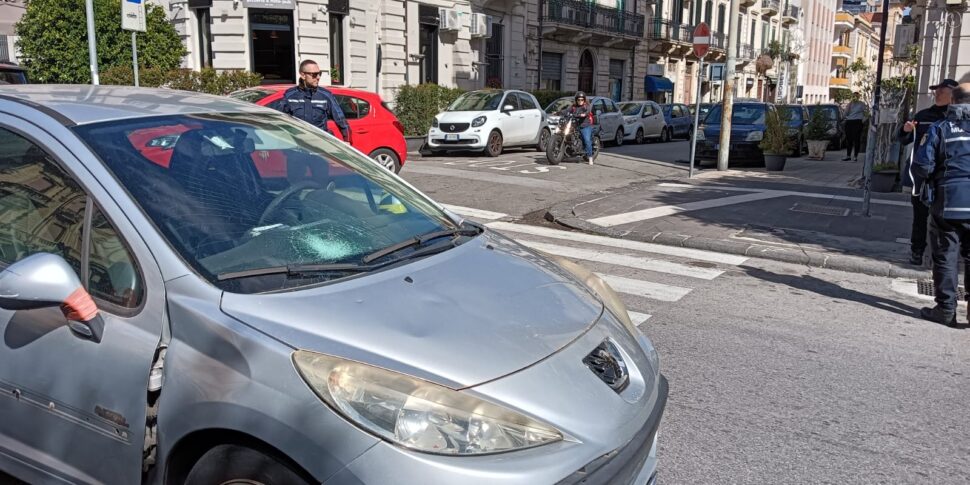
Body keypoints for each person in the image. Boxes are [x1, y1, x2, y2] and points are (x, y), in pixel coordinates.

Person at [911, 82, 970, 327]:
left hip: (949, 200)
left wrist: (924, 187)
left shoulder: (941, 128)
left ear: (953, 102)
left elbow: (922, 165)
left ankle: (946, 309)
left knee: (945, 254)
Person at [898, 79, 957, 265]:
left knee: (945, 219)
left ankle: (942, 255)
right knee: (920, 216)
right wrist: (905, 130)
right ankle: (917, 251)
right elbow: (903, 139)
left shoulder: (958, 118)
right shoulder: (923, 115)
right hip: (923, 177)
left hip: (947, 177)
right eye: (935, 90)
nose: (937, 93)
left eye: (941, 91)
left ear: (952, 95)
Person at [275, 59, 351, 143]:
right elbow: (278, 120)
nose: (318, 77)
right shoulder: (290, 96)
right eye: (314, 75)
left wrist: (347, 140)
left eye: (319, 74)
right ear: (303, 75)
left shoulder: (325, 95)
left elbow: (341, 119)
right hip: (298, 145)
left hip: (320, 145)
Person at [561, 92, 595, 165]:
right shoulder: (573, 106)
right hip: (575, 125)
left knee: (587, 140)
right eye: (578, 100)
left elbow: (588, 111)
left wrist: (584, 114)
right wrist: (558, 112)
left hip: (585, 126)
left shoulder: (586, 106)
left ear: (584, 100)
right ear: (576, 100)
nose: (580, 101)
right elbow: (566, 111)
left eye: (582, 99)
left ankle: (590, 157)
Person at [843, 92, 867, 161]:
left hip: (857, 122)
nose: (855, 98)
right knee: (849, 139)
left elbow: (866, 112)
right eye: (854, 96)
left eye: (856, 96)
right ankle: (848, 156)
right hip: (850, 122)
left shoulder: (862, 104)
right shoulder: (850, 104)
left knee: (856, 140)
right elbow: (845, 113)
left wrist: (863, 120)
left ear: (858, 97)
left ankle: (855, 156)